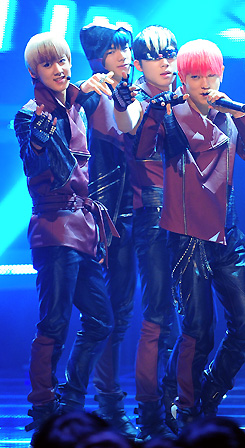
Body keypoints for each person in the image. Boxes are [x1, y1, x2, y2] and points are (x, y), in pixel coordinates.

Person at [113, 38, 245, 432]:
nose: (205, 83)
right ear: (184, 79)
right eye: (195, 76)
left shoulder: (231, 113)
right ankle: (187, 410)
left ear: (221, 74)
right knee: (198, 331)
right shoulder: (170, 114)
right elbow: (141, 150)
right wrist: (149, 111)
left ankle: (207, 392)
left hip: (228, 235)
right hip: (186, 238)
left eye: (211, 74)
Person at [14, 32, 116, 443]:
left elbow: (102, 95)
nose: (59, 68)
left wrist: (96, 87)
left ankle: (71, 401)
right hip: (55, 226)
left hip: (83, 226)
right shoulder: (29, 115)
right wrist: (40, 138)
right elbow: (38, 162)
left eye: (63, 60)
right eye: (48, 63)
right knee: (54, 321)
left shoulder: (75, 103)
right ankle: (43, 407)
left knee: (101, 319)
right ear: (33, 72)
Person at [112, 25, 180, 441]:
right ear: (139, 63)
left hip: (192, 213)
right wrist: (124, 103)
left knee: (194, 319)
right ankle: (151, 415)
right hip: (152, 213)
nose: (166, 62)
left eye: (170, 53)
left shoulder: (184, 92)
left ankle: (175, 404)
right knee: (158, 315)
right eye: (156, 57)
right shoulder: (134, 96)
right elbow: (127, 121)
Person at [77, 22, 137, 439]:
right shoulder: (86, 97)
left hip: (132, 215)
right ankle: (97, 402)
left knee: (123, 312)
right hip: (98, 219)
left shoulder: (132, 94)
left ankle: (110, 401)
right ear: (99, 57)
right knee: (101, 316)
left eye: (127, 49)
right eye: (115, 50)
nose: (125, 56)